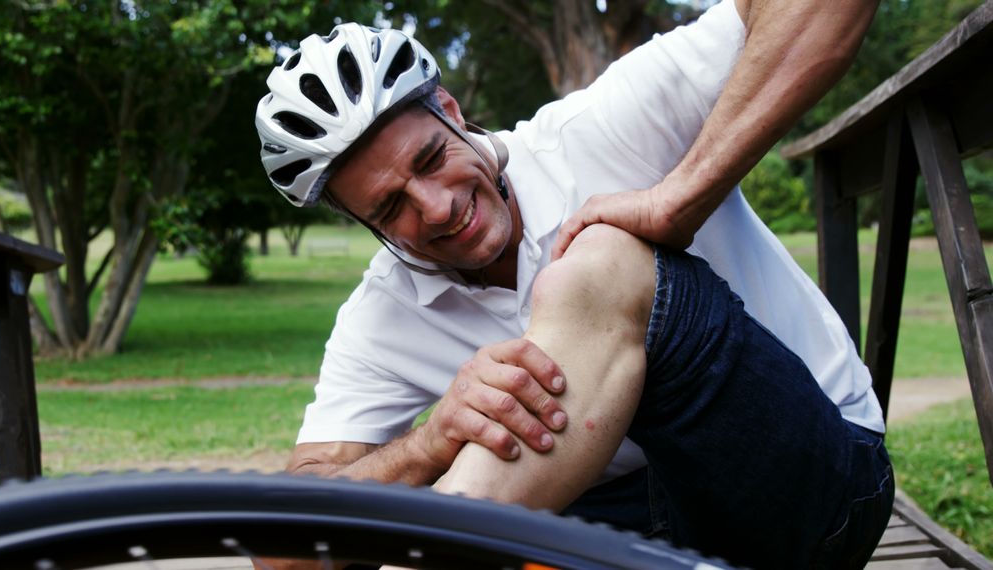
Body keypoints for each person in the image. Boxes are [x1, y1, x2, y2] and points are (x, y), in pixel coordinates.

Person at [253, 0, 892, 567]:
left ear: (451, 112)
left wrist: (679, 197)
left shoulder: (599, 127)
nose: (437, 207)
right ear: (365, 223)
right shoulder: (379, 315)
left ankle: (446, 540)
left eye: (431, 159)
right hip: (633, 531)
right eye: (392, 208)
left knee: (601, 258)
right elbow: (282, 554)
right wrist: (427, 444)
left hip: (816, 485)